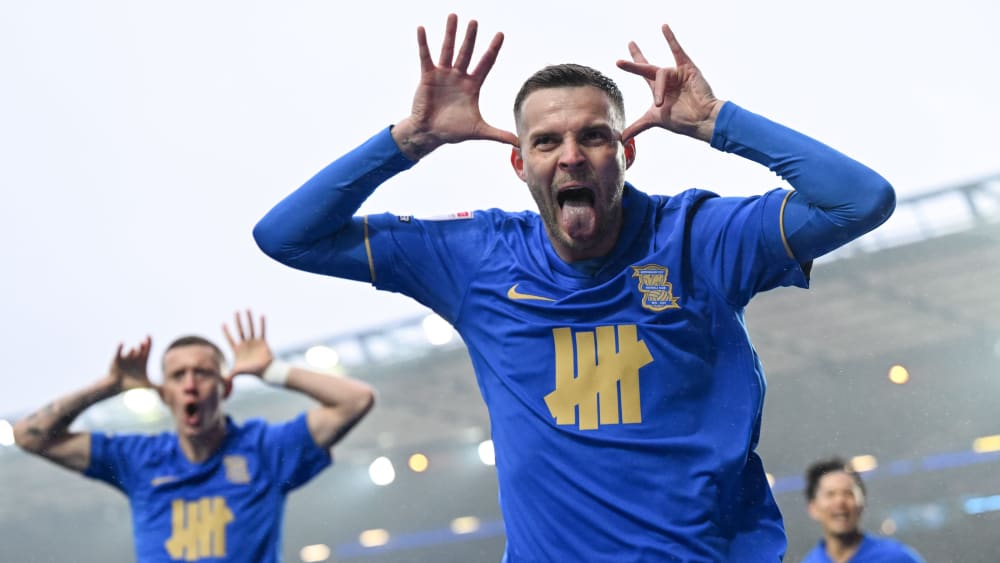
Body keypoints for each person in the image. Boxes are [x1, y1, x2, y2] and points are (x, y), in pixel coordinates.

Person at [253, 13, 895, 561]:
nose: (570, 156)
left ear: (626, 152)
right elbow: (287, 237)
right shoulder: (475, 257)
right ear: (519, 162)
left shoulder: (699, 237)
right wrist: (408, 141)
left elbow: (860, 200)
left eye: (594, 136)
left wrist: (718, 120)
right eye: (545, 142)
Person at [13, 311, 375, 562]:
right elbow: (30, 436)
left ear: (225, 388)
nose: (189, 385)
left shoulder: (264, 449)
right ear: (163, 394)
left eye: (202, 373)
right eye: (177, 376)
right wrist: (108, 386)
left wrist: (272, 370)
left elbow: (356, 400)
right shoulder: (138, 459)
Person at [802, 457, 924, 562]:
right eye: (830, 494)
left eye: (848, 493)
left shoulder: (897, 558)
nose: (840, 502)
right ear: (813, 508)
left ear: (863, 504)